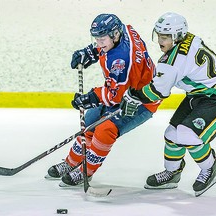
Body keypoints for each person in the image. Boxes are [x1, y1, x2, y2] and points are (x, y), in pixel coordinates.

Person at [120, 12, 216, 196]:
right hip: (200, 94)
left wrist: (134, 95)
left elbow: (158, 92)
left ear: (177, 36)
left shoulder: (174, 61)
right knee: (172, 134)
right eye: (159, 35)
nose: (161, 40)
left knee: (188, 135)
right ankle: (172, 173)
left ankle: (210, 168)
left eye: (166, 36)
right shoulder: (188, 39)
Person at [45, 13, 160, 186]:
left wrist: (91, 98)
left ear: (114, 34)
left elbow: (116, 96)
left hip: (140, 102)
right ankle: (72, 162)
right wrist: (91, 52)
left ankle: (86, 171)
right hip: (128, 90)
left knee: (105, 129)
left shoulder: (120, 61)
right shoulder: (125, 30)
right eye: (96, 39)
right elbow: (109, 53)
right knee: (90, 119)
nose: (99, 43)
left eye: (102, 40)